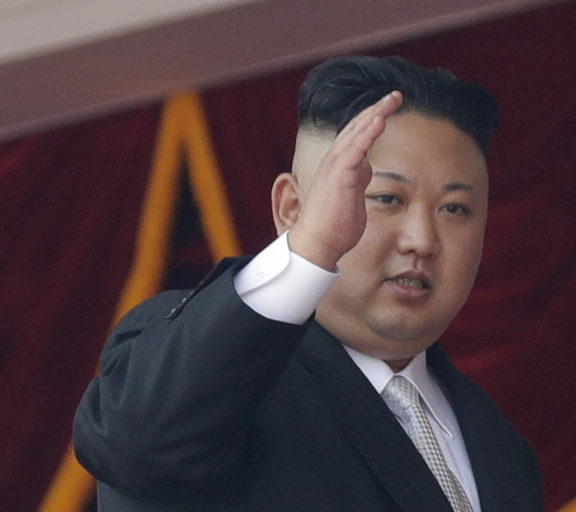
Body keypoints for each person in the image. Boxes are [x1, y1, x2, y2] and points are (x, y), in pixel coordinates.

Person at [74, 55, 542, 511]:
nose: (422, 240)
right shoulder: (213, 377)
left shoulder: (500, 447)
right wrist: (311, 248)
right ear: (292, 208)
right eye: (386, 198)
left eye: (455, 209)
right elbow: (135, 447)